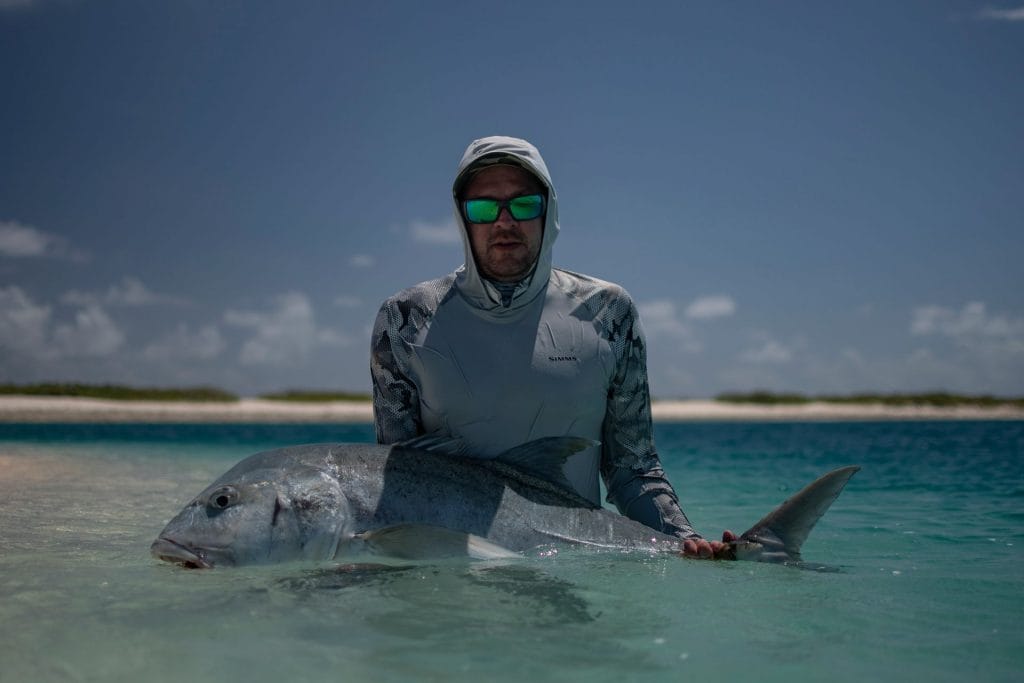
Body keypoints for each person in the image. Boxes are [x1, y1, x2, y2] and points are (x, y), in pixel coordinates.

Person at [370, 135, 730, 558]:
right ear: (462, 219)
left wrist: (684, 541)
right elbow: (396, 481)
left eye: (523, 205)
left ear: (550, 210)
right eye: (484, 208)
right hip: (453, 581)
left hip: (578, 570)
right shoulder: (406, 317)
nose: (504, 222)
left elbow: (632, 469)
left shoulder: (608, 310)